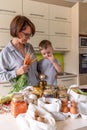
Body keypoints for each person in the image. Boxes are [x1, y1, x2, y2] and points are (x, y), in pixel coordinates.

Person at [0, 15, 39, 86]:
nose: (28, 38)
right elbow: (1, 76)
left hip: (36, 89)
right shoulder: (6, 53)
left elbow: (35, 68)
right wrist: (17, 72)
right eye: (26, 35)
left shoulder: (29, 47)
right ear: (17, 31)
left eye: (30, 35)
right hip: (20, 94)